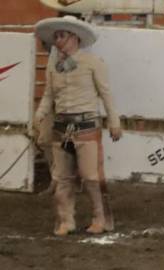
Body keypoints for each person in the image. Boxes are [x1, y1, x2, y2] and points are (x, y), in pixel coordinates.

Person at [30, 16, 121, 236]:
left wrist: (114, 121)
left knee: (91, 177)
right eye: (56, 36)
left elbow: (106, 93)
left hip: (87, 126)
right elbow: (49, 95)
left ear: (74, 38)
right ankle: (65, 220)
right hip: (61, 128)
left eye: (61, 36)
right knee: (63, 178)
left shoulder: (93, 63)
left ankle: (101, 217)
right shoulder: (54, 67)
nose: (58, 40)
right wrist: (39, 115)